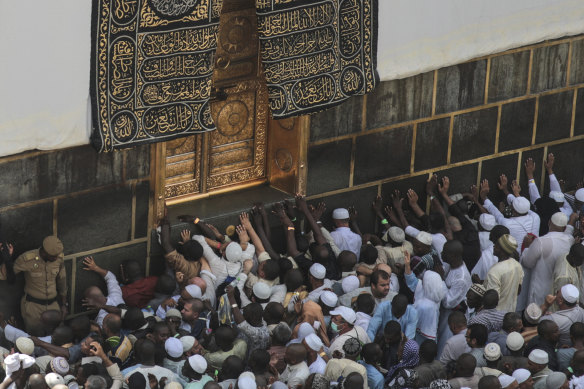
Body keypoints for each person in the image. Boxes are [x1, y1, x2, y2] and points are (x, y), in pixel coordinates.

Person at [9, 236, 68, 332]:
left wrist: (64, 304)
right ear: (45, 252)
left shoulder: (58, 259)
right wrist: (8, 258)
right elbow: (6, 275)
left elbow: (62, 281)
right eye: (53, 256)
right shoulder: (27, 259)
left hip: (53, 305)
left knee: (56, 336)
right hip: (33, 308)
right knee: (35, 338)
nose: (56, 258)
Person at [520, 212, 573, 306]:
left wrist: (528, 247)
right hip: (559, 293)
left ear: (549, 223)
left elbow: (527, 263)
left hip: (540, 291)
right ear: (564, 228)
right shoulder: (570, 240)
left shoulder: (541, 241)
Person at [484, 234, 524, 312]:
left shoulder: (494, 271)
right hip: (510, 313)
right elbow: (518, 290)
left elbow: (491, 301)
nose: (494, 246)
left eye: (497, 245)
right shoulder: (517, 265)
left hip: (496, 316)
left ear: (502, 250)